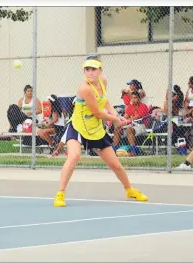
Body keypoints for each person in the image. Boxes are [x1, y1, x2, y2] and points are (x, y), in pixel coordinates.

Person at [53, 56, 148, 207]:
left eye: (93, 69)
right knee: (74, 157)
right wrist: (116, 120)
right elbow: (97, 112)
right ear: (83, 71)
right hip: (78, 126)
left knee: (115, 164)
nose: (90, 72)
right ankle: (60, 194)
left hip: (95, 129)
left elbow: (105, 102)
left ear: (100, 70)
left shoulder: (103, 81)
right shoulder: (85, 88)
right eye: (87, 69)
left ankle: (129, 190)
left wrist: (117, 115)